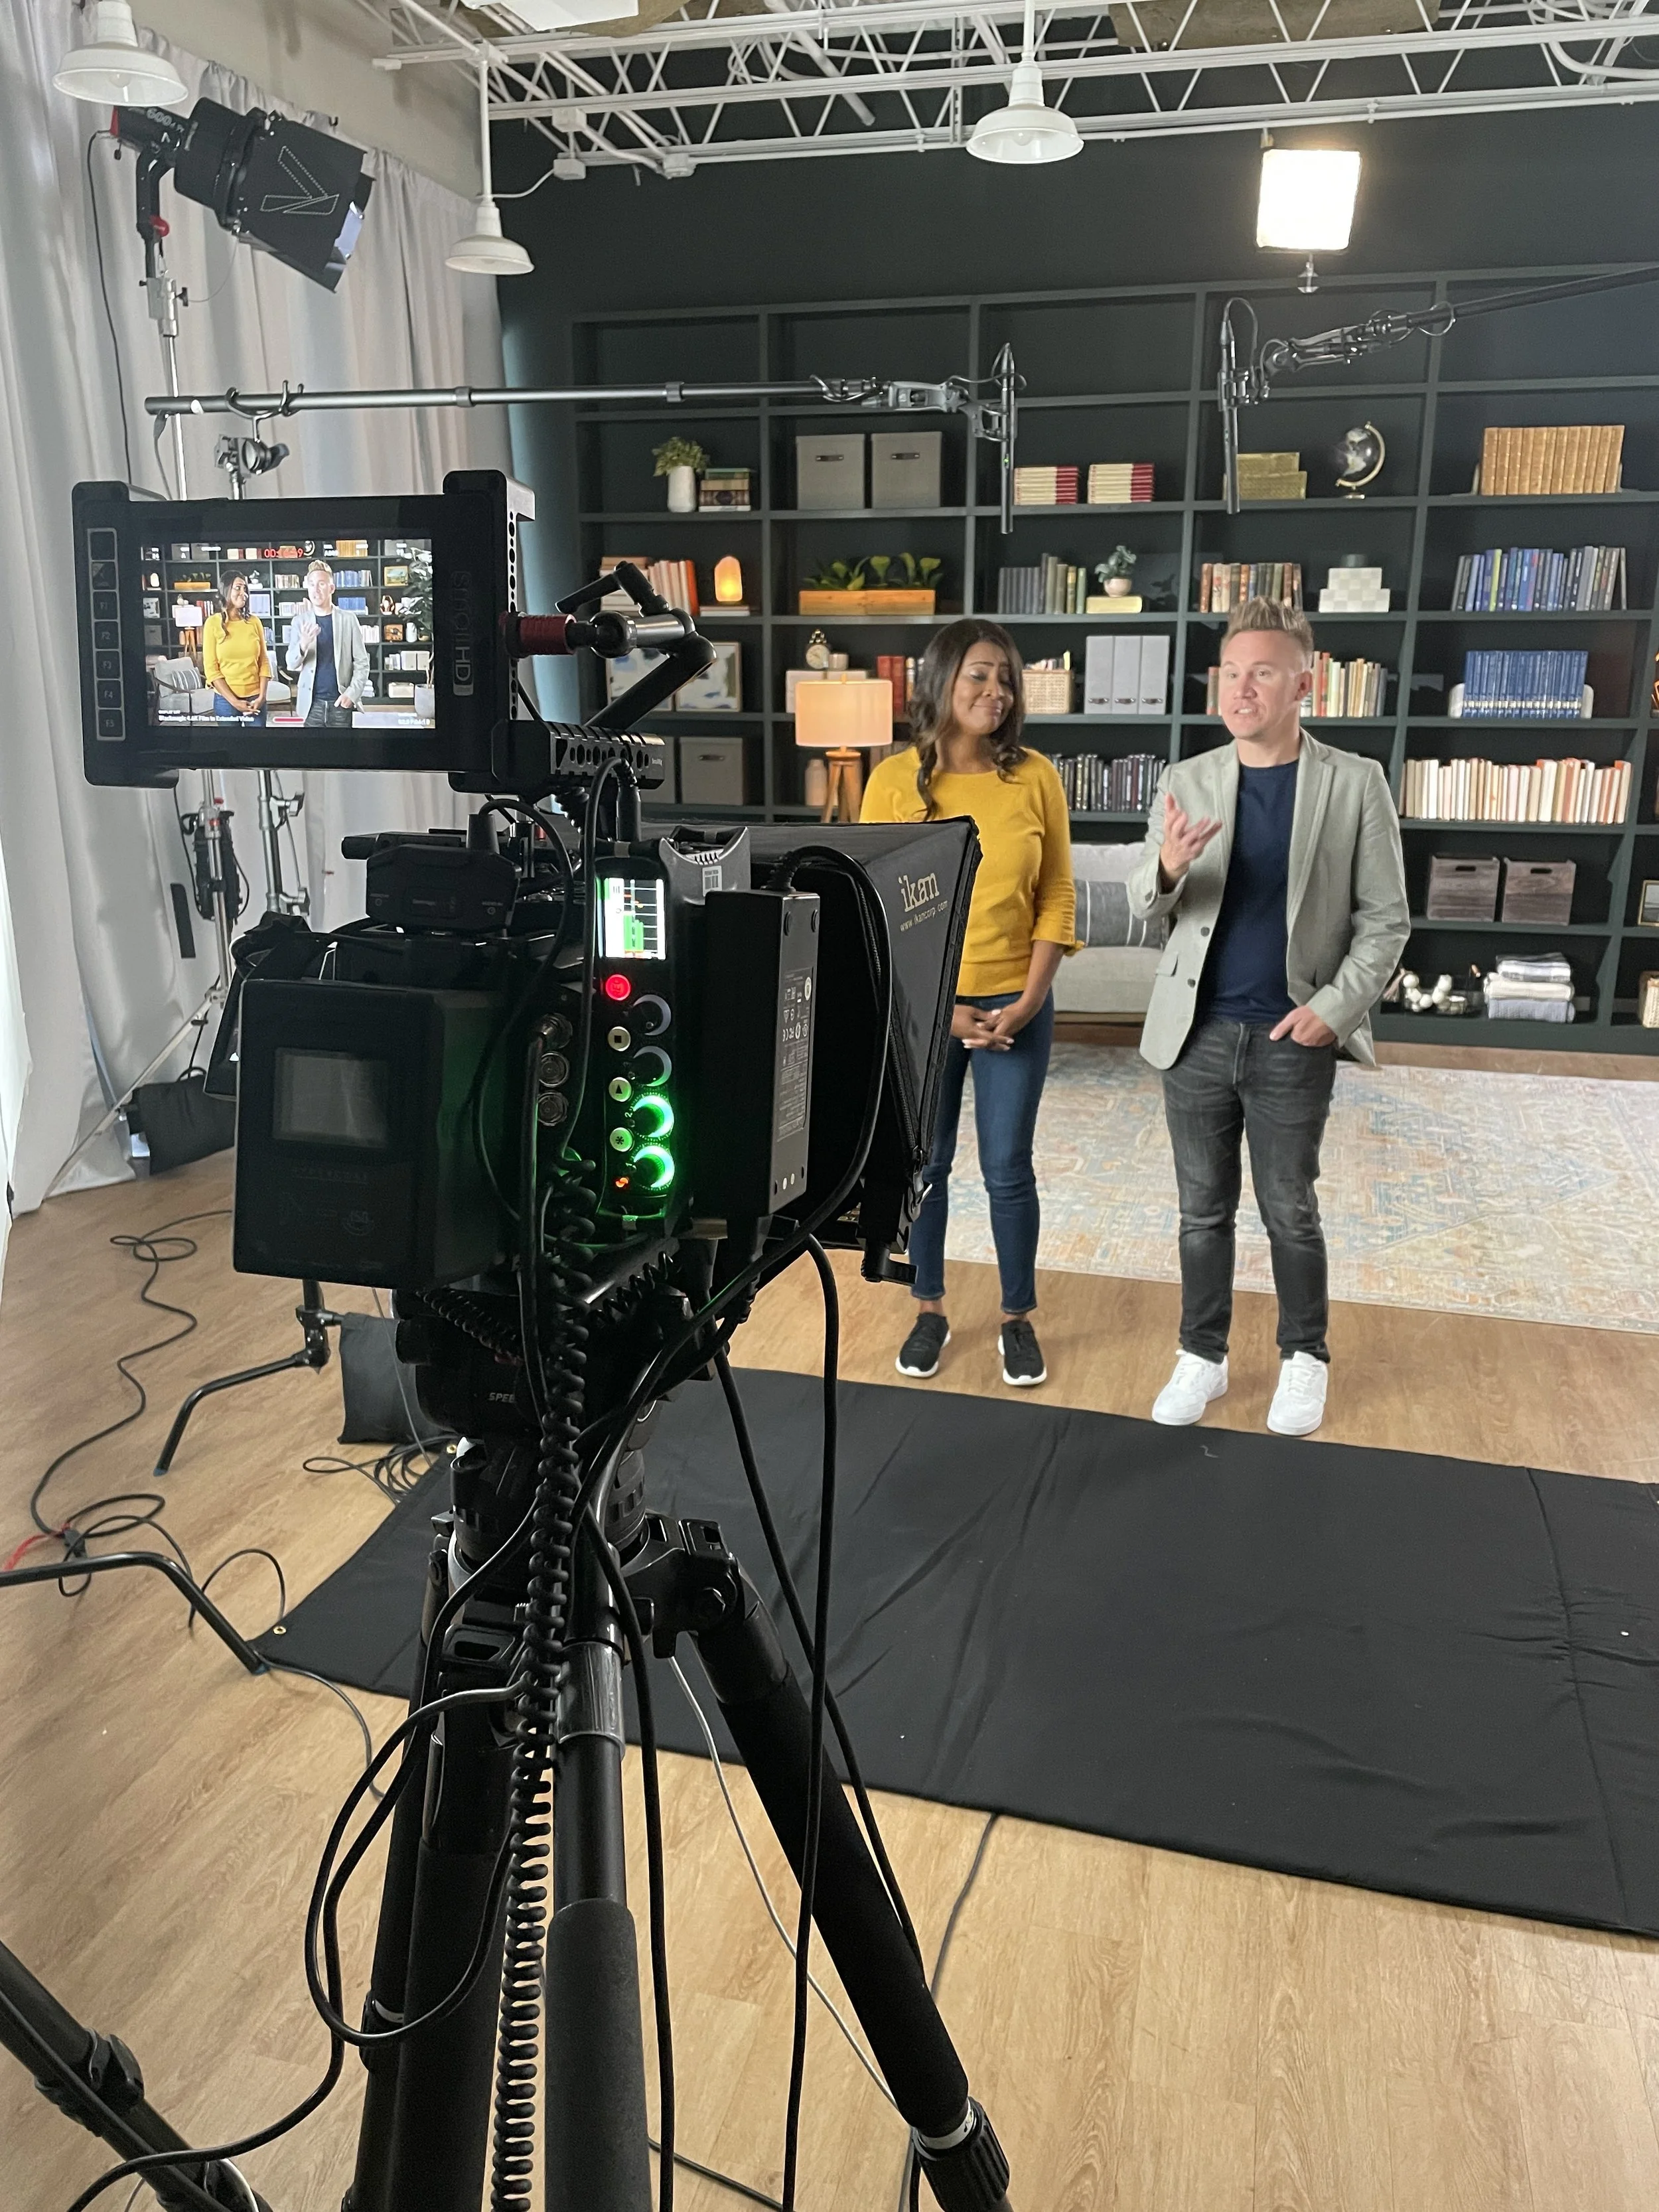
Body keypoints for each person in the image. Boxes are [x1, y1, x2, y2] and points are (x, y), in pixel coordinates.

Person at [1127, 598, 1409, 1438]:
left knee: (1289, 1207)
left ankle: (1303, 1358)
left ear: (1303, 684)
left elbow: (1385, 919)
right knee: (1199, 1209)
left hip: (1294, 1036)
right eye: (1230, 673)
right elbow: (1148, 907)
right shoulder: (1186, 781)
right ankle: (1201, 1355)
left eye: (1262, 673)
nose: (1240, 689)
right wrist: (1169, 868)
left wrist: (1332, 1011)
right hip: (1195, 1035)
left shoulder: (1355, 783)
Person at [861, 619, 1075, 1389]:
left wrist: (1028, 998)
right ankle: (929, 1309)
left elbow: (1055, 893)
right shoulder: (891, 782)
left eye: (1006, 679)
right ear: (943, 681)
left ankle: (1017, 1319)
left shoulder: (1035, 777)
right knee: (929, 1165)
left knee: (1007, 1168)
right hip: (926, 1011)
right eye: (980, 675)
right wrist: (939, 1009)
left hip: (1017, 1000)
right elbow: (875, 909)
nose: (996, 691)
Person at [285, 560, 370, 726]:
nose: (316, 590)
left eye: (321, 584)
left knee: (343, 752)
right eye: (311, 585)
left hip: (340, 703)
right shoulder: (299, 622)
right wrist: (303, 644)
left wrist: (352, 695)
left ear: (331, 588)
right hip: (311, 705)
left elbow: (362, 662)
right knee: (313, 752)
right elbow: (291, 664)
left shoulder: (349, 619)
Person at [201, 571, 269, 723]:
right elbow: (211, 669)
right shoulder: (213, 623)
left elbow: (264, 661)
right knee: (229, 745)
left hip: (256, 698)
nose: (243, 593)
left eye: (245, 589)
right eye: (238, 588)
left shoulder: (254, 622)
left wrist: (262, 697)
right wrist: (234, 701)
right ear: (226, 590)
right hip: (226, 701)